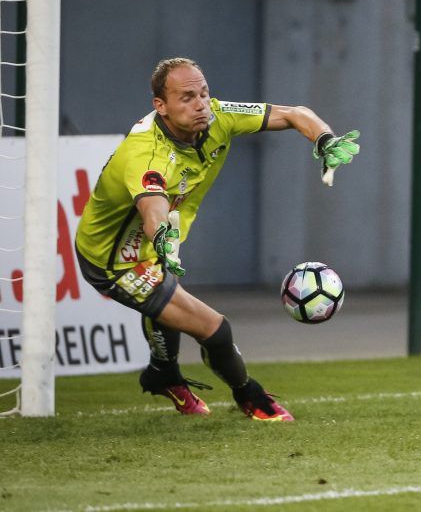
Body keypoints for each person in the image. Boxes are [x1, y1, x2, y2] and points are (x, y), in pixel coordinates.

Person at [75, 57, 360, 421]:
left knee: (167, 302)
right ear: (160, 106)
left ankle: (163, 375)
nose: (201, 104)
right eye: (187, 97)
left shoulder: (218, 115)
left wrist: (324, 138)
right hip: (113, 259)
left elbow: (294, 114)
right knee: (215, 329)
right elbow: (153, 207)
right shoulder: (146, 153)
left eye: (204, 93)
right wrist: (161, 237)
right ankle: (249, 395)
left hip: (154, 243)